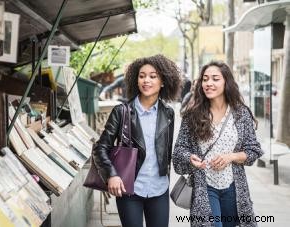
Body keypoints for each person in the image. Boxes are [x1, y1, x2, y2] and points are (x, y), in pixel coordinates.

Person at [93, 54, 182, 227]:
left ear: (163, 81)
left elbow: (167, 152)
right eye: (142, 76)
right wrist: (111, 175)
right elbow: (100, 148)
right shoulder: (121, 111)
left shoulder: (168, 113)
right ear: (136, 80)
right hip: (129, 190)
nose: (146, 80)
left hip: (159, 190)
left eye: (152, 76)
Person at [173, 61, 263, 227]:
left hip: (233, 188)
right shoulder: (192, 114)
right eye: (205, 79)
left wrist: (231, 157)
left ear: (226, 82)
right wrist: (189, 157)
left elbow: (254, 149)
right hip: (205, 187)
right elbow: (179, 150)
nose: (209, 83)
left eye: (215, 79)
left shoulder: (241, 113)